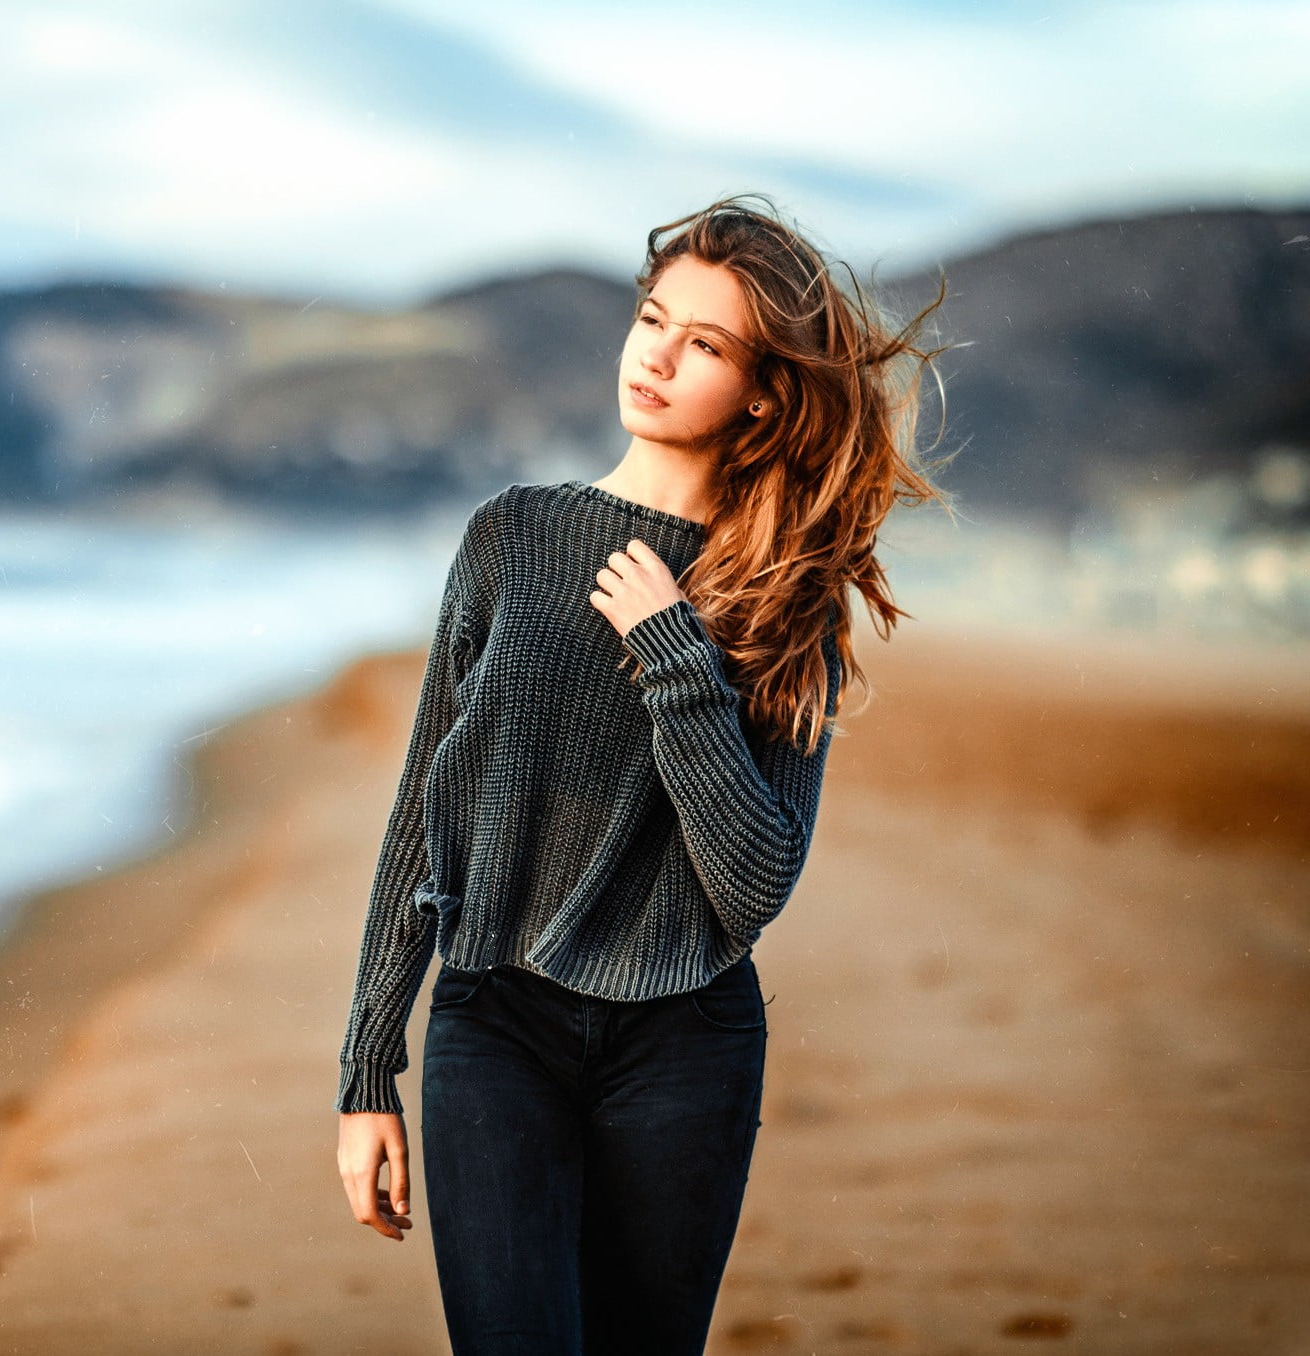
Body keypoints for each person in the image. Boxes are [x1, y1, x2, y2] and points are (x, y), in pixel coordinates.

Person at [332, 193, 956, 1354]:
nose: (656, 357)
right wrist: (367, 1069)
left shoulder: (783, 597)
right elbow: (426, 812)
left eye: (703, 344)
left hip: (683, 1043)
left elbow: (753, 882)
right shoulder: (510, 537)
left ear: (762, 389)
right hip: (494, 1020)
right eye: (652, 319)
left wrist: (676, 657)